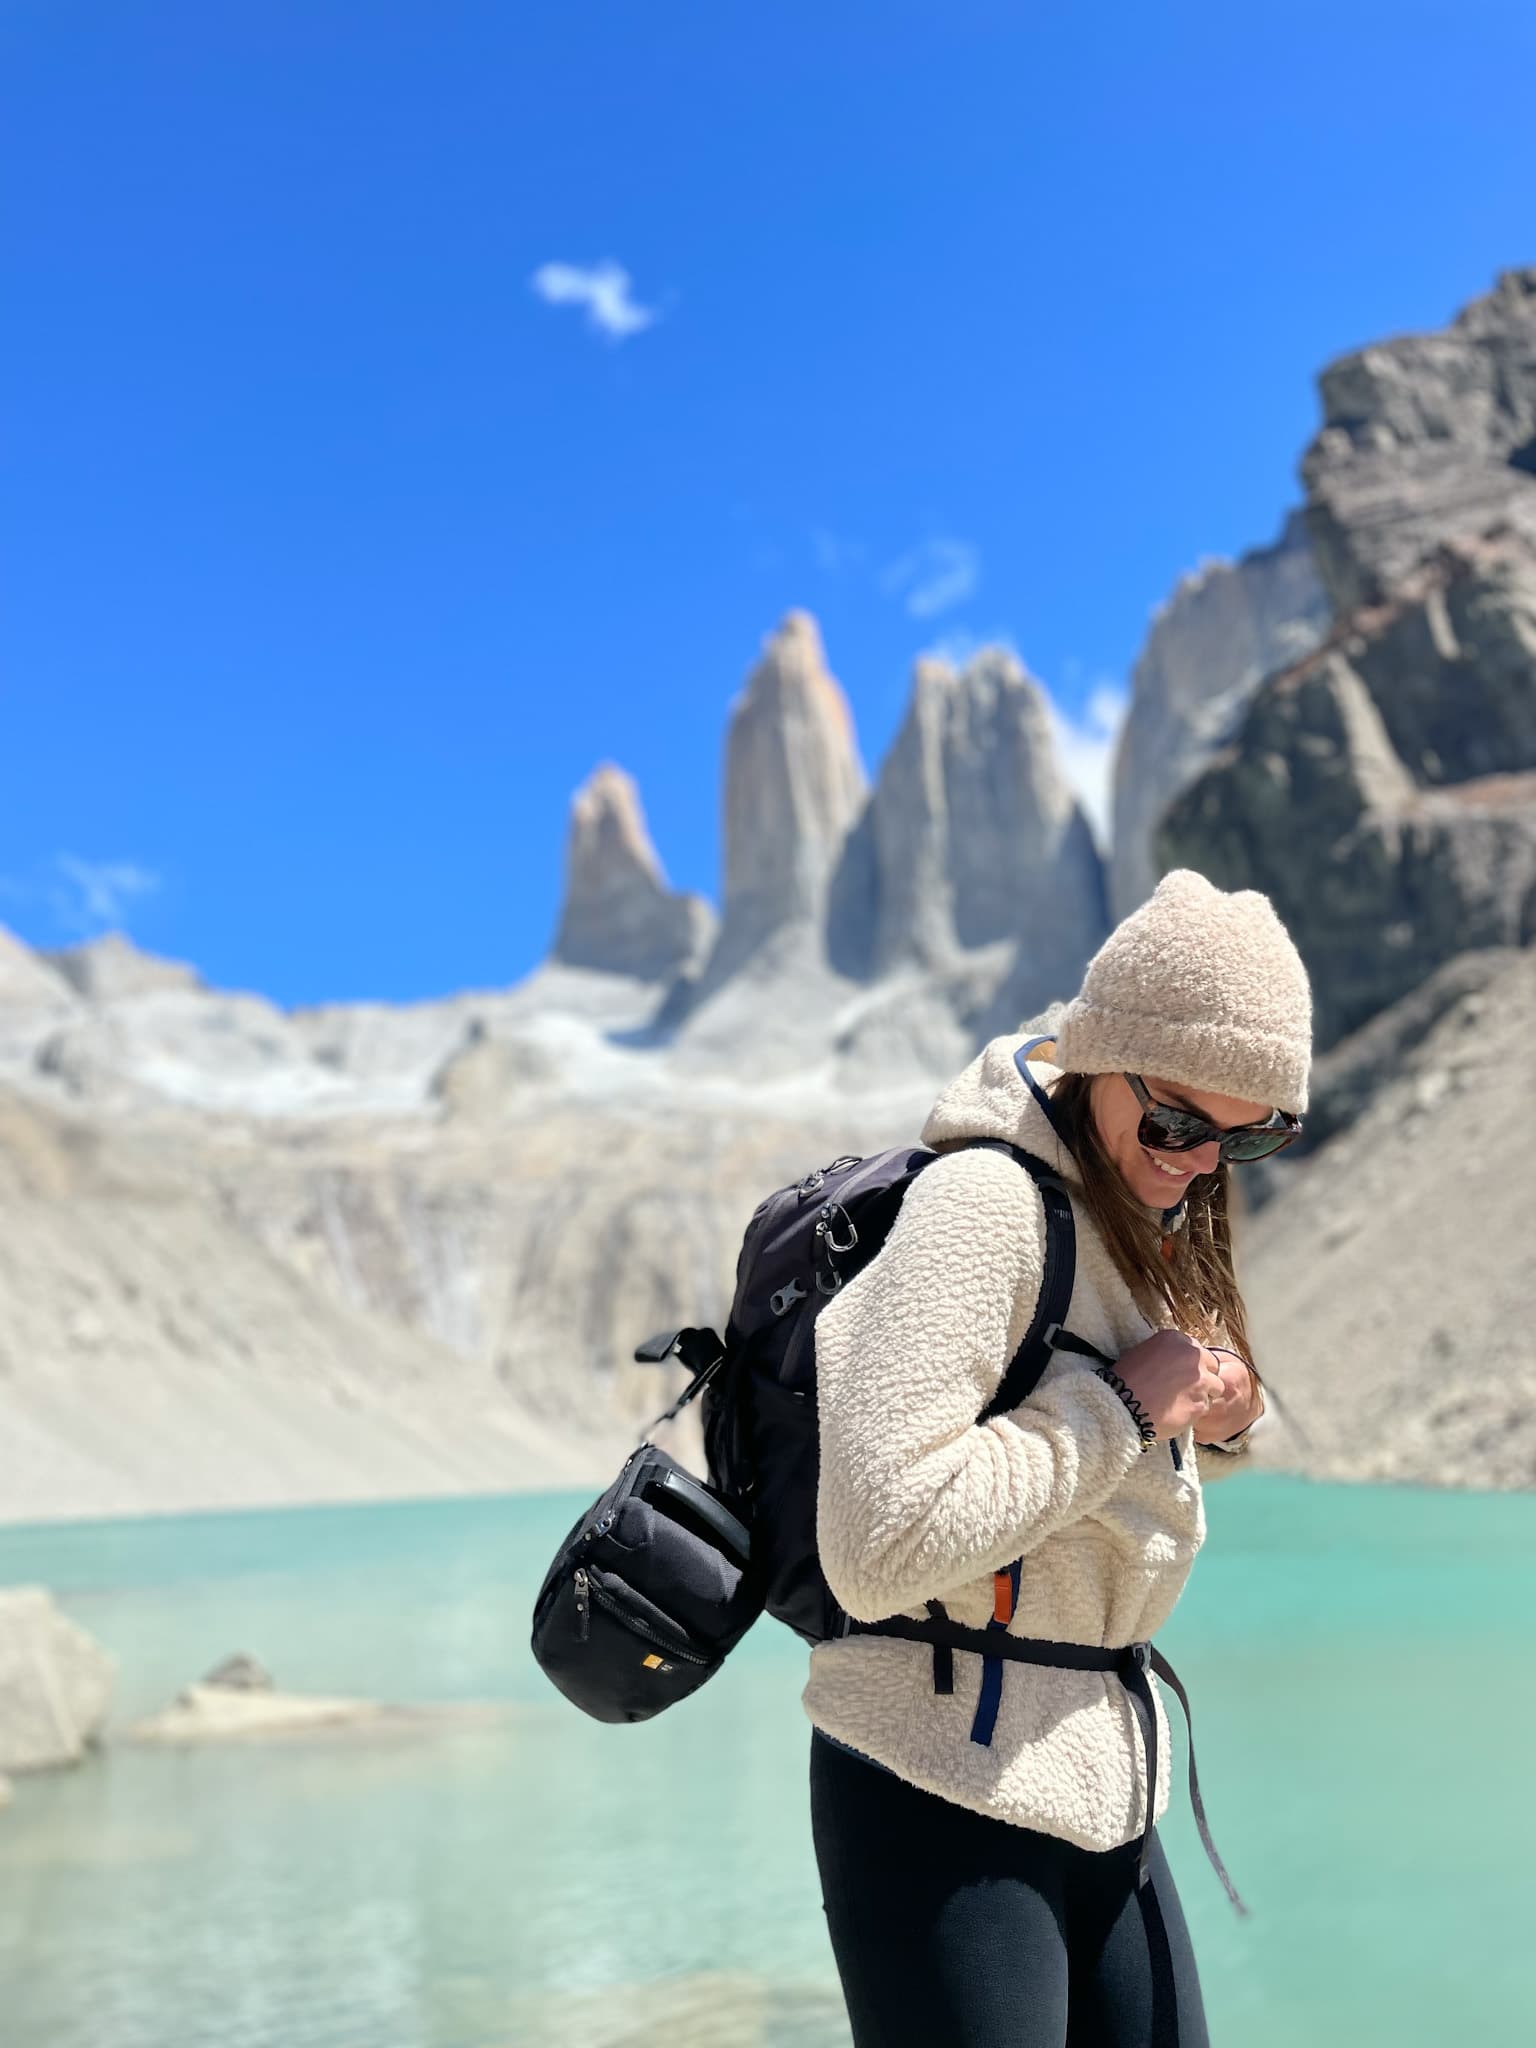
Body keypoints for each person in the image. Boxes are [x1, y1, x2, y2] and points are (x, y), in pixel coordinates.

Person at [804, 868, 1311, 2048]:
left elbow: (1128, 1460)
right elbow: (876, 1542)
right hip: (935, 1774)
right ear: (1100, 1058)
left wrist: (1223, 1420)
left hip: (1101, 1767)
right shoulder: (982, 1202)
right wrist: (1126, 1407)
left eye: (1253, 1135)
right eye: (1179, 1121)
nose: (1200, 1161)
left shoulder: (1145, 1211)